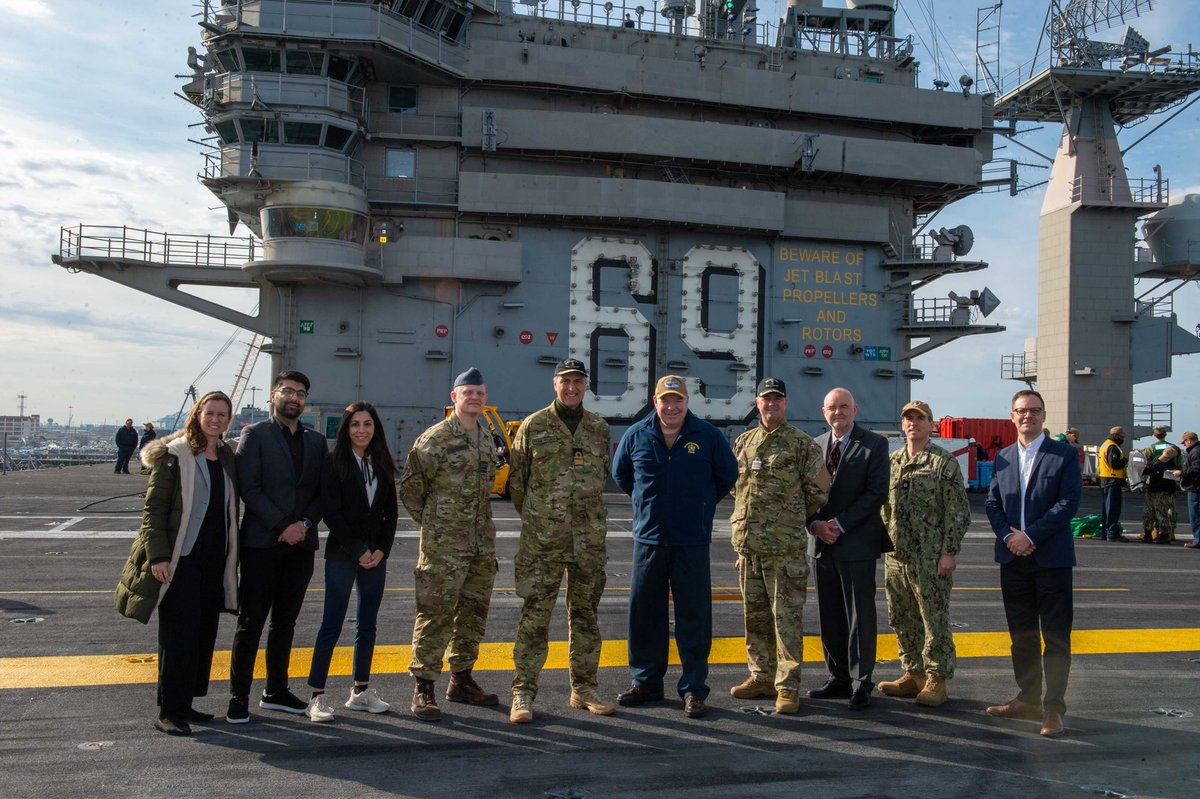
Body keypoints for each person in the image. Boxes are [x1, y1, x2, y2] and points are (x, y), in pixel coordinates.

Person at [612, 375, 738, 718]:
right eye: (665, 400)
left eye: (677, 400)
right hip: (649, 540)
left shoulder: (708, 436)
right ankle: (646, 683)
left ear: (687, 402)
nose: (671, 407)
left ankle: (694, 689)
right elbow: (622, 475)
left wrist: (701, 506)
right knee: (644, 614)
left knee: (693, 617)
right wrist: (646, 504)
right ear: (655, 402)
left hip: (691, 540)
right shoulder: (636, 434)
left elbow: (727, 476)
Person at [115, 391, 239, 736]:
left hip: (214, 558)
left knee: (202, 633)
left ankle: (185, 703)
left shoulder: (226, 455)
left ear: (229, 421)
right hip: (181, 558)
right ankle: (168, 709)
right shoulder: (175, 455)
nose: (215, 419)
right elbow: (153, 510)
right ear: (197, 415)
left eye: (222, 415)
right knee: (177, 635)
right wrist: (158, 556)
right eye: (210, 413)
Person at [508, 359, 614, 723]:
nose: (572, 387)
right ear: (555, 384)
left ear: (586, 386)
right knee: (535, 618)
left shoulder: (598, 429)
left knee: (586, 618)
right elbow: (517, 483)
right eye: (565, 381)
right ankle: (523, 692)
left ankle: (584, 688)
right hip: (543, 543)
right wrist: (542, 519)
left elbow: (602, 476)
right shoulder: (534, 426)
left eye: (578, 381)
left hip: (588, 542)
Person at [227, 370, 328, 724]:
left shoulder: (317, 442)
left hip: (301, 546)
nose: (294, 397)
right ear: (274, 395)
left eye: (300, 393)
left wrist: (304, 525)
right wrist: (282, 525)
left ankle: (275, 691)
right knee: (251, 623)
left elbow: (322, 492)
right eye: (287, 390)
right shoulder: (254, 435)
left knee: (285, 622)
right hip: (262, 544)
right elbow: (249, 487)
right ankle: (238, 696)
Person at [400, 367, 500, 722]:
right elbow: (411, 490)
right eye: (467, 392)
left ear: (485, 399)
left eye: (479, 393)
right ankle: (424, 686)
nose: (474, 397)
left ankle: (462, 680)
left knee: (473, 614)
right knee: (435, 614)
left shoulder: (486, 438)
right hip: (444, 548)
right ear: (454, 397)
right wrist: (436, 526)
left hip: (480, 546)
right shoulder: (435, 439)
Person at [728, 378, 829, 715]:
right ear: (757, 403)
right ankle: (761, 676)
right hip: (749, 548)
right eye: (765, 398)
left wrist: (786, 517)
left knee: (786, 621)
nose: (771, 404)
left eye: (777, 399)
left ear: (785, 403)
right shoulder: (744, 442)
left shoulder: (802, 444)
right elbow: (735, 487)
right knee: (754, 617)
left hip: (784, 550)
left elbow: (818, 491)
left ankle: (788, 686)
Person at [984, 389, 1081, 739]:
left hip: (1051, 559)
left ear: (1043, 415)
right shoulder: (1003, 457)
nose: (1028, 416)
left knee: (1055, 637)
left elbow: (1069, 502)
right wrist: (1008, 536)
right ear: (1012, 416)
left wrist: (1030, 536)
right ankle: (1028, 698)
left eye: (1034, 410)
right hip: (1012, 559)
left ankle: (1053, 707)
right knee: (1021, 635)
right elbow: (992, 503)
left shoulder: (1064, 454)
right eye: (1021, 411)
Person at [304, 401, 399, 723]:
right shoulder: (334, 463)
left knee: (367, 625)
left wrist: (382, 549)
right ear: (346, 429)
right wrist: (358, 549)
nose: (361, 430)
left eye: (367, 424)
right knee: (331, 624)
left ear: (375, 428)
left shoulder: (382, 462)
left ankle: (360, 691)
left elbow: (390, 512)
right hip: (343, 554)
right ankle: (316, 696)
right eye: (355, 424)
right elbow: (332, 513)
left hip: (376, 556)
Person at [877, 400, 969, 708]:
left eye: (920, 418)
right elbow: (884, 508)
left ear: (931, 425)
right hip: (896, 557)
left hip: (930, 558)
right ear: (902, 424)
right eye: (908, 418)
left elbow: (958, 512)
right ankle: (913, 672)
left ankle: (937, 678)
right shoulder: (893, 461)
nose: (913, 423)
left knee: (934, 619)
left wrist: (949, 552)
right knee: (901, 617)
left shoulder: (943, 463)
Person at [807, 387, 890, 711]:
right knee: (829, 615)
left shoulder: (874, 444)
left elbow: (876, 493)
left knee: (860, 616)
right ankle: (838, 676)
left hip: (856, 542)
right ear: (823, 412)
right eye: (832, 407)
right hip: (821, 544)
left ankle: (861, 681)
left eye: (844, 406)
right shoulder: (814, 446)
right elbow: (803, 492)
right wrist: (815, 524)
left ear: (855, 410)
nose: (838, 412)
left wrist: (839, 524)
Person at [1142, 446, 1181, 546]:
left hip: (1163, 492)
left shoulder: (1172, 466)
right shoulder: (1157, 460)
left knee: (1161, 514)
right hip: (1152, 490)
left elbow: (1172, 480)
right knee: (1148, 513)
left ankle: (1164, 535)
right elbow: (1148, 468)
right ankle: (1148, 533)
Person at [1097, 426, 1128, 542]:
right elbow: (1114, 464)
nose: (1122, 439)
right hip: (1112, 480)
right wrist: (1125, 461)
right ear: (1116, 436)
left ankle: (1105, 532)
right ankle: (1112, 533)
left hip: (1105, 479)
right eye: (1121, 437)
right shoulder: (1112, 447)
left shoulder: (1105, 444)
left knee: (1107, 508)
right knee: (1113, 508)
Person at [1180, 432, 1200, 549]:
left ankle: (1198, 540)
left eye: (1184, 442)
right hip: (1196, 487)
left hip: (1195, 488)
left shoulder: (1195, 452)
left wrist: (1181, 473)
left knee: (1195, 515)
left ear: (1188, 440)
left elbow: (1196, 469)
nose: (1184, 445)